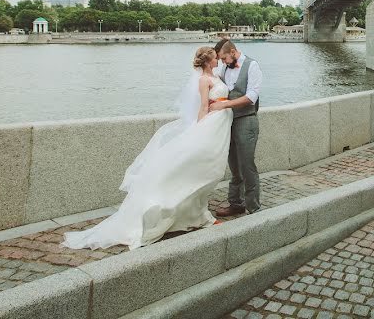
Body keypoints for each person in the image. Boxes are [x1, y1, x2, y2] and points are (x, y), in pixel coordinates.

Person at [62, 46, 233, 250]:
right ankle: (194, 214)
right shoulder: (204, 80)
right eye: (215, 58)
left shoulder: (216, 75)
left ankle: (198, 214)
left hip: (220, 127)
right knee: (199, 173)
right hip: (210, 125)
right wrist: (199, 131)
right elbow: (203, 106)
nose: (218, 60)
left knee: (207, 173)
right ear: (207, 61)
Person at [210, 40, 262, 216]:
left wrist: (225, 105)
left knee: (247, 165)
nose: (223, 62)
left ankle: (253, 207)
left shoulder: (252, 65)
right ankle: (235, 204)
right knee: (234, 166)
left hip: (247, 120)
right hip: (228, 121)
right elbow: (210, 75)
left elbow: (251, 96)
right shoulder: (224, 67)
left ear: (233, 51)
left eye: (224, 58)